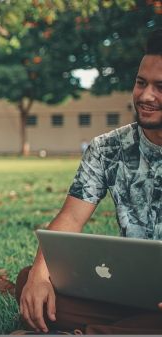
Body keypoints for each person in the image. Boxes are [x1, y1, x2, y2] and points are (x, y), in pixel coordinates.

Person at [16, 29, 162, 334]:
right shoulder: (108, 148)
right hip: (131, 292)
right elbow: (70, 218)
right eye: (141, 83)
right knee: (31, 284)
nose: (146, 96)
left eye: (160, 87)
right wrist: (41, 276)